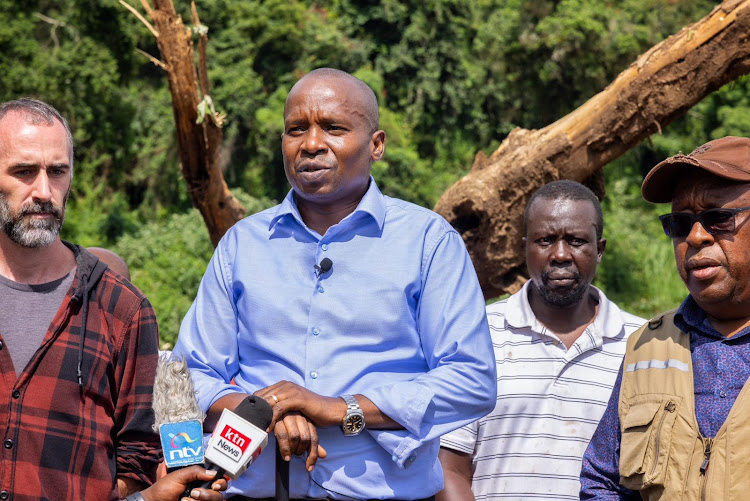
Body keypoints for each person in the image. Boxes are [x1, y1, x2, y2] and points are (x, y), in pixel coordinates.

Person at [174, 68, 497, 500]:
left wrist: (339, 410)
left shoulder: (428, 242)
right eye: (296, 130)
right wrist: (265, 411)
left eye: (333, 128)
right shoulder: (242, 244)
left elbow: (471, 381)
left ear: (376, 144)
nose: (310, 144)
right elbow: (184, 376)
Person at [436, 180, 645, 500]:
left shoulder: (643, 345)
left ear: (599, 250)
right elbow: (449, 468)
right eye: (545, 240)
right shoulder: (476, 335)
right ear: (525, 248)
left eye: (576, 241)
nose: (560, 255)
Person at [0, 97, 161, 500]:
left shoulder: (123, 311)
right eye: (23, 171)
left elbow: (140, 455)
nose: (43, 191)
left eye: (57, 172)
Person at [580, 136, 750, 499]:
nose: (696, 236)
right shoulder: (647, 346)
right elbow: (602, 481)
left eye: (718, 218)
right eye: (680, 222)